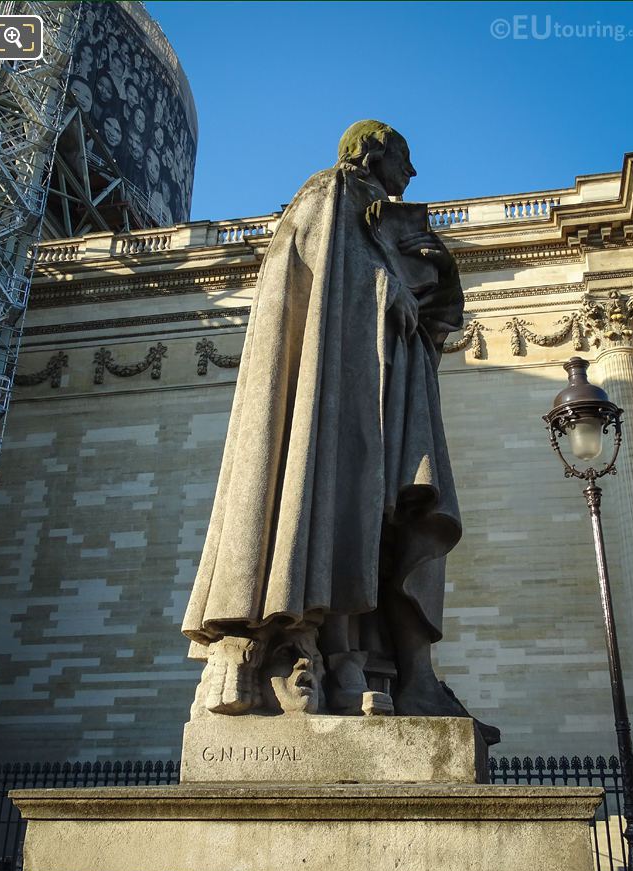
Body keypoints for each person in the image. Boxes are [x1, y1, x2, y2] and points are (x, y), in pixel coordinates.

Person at [182, 120, 499, 743]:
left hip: (387, 389)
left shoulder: (378, 214)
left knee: (397, 520)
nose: (413, 175)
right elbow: (324, 273)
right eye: (406, 158)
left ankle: (398, 672)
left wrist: (425, 282)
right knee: (334, 515)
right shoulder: (330, 193)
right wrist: (387, 283)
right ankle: (326, 658)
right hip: (340, 398)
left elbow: (394, 293)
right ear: (374, 152)